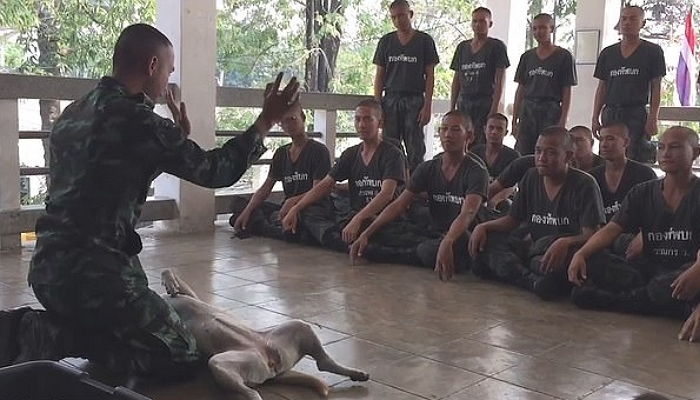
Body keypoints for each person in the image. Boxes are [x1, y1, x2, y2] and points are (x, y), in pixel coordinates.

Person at [0, 24, 301, 378]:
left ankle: (54, 326)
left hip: (49, 271)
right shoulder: (141, 122)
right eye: (169, 70)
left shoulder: (73, 113)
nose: (169, 79)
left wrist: (174, 140)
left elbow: (105, 178)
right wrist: (265, 121)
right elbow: (215, 171)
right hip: (99, 276)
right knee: (182, 352)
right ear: (152, 65)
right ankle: (48, 335)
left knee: (141, 330)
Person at [568, 127, 700, 333]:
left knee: (672, 283)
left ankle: (619, 301)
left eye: (675, 147)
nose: (665, 153)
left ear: (696, 152)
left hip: (687, 271)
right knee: (594, 259)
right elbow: (612, 228)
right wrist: (581, 252)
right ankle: (673, 304)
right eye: (661, 147)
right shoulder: (643, 192)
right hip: (648, 269)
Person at [469, 127, 605, 300]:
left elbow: (592, 235)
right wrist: (484, 226)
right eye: (538, 151)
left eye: (551, 153)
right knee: (486, 246)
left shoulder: (585, 184)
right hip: (534, 249)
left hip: (563, 253)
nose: (541, 158)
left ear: (569, 156)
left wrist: (566, 241)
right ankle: (530, 280)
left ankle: (523, 274)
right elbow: (512, 220)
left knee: (560, 265)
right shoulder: (531, 176)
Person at [350, 111, 488, 280]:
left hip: (463, 235)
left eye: (455, 130)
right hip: (433, 231)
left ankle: (391, 254)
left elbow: (468, 213)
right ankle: (398, 251)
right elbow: (399, 204)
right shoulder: (428, 167)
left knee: (431, 250)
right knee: (376, 227)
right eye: (443, 129)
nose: (447, 135)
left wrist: (448, 241)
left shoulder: (476, 171)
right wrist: (367, 233)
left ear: (470, 136)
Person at [282, 99, 406, 253]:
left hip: (383, 219)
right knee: (308, 213)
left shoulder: (392, 154)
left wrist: (359, 218)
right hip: (354, 215)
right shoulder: (351, 154)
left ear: (380, 123)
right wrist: (296, 207)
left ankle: (357, 244)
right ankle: (345, 241)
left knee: (380, 233)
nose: (361, 125)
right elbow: (325, 184)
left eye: (368, 119)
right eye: (358, 119)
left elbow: (386, 195)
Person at [229, 102, 331, 241]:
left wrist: (293, 202)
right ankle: (280, 228)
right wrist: (247, 211)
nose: (289, 124)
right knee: (240, 206)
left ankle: (274, 228)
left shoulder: (319, 151)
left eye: (292, 119)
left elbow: (319, 190)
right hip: (287, 208)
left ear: (303, 117)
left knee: (307, 219)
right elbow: (266, 187)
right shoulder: (281, 153)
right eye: (284, 121)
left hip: (311, 208)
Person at [591, 5, 665, 163]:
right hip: (611, 112)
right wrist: (595, 117)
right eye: (624, 18)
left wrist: (653, 118)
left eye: (632, 19)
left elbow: (656, 87)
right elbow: (602, 87)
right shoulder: (607, 53)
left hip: (636, 113)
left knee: (636, 158)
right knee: (608, 157)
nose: (627, 23)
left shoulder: (653, 51)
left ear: (642, 23)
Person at [373, 0, 439, 171]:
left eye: (401, 15)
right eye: (393, 17)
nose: (398, 20)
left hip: (415, 100)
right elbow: (379, 76)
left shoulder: (424, 41)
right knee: (390, 146)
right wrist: (377, 106)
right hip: (391, 99)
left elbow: (430, 76)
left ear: (410, 14)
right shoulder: (386, 41)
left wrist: (427, 105)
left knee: (415, 147)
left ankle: (415, 188)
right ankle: (393, 184)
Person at [512, 13, 577, 155]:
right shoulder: (527, 57)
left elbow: (567, 90)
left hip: (550, 109)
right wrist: (515, 118)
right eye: (534, 28)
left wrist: (563, 120)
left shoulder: (564, 56)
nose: (538, 32)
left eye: (542, 28)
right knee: (523, 152)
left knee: (548, 150)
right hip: (528, 109)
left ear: (551, 28)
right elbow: (521, 88)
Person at [588, 122, 657, 257]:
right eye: (601, 139)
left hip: (632, 241)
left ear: (626, 142)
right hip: (598, 240)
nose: (604, 144)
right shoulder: (591, 177)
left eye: (610, 138)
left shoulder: (644, 174)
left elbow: (655, 213)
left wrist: (644, 236)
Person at [450, 6, 509, 146]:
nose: (478, 25)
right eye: (475, 21)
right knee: (462, 141)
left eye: (482, 21)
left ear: (490, 23)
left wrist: (494, 109)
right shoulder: (462, 47)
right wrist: (452, 107)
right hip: (464, 102)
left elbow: (500, 79)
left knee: (482, 143)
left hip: (485, 102)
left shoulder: (496, 46)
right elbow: (456, 79)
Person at [470, 113, 520, 181]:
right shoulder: (474, 153)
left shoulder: (513, 157)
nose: (494, 132)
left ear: (506, 132)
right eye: (491, 127)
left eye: (499, 129)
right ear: (485, 129)